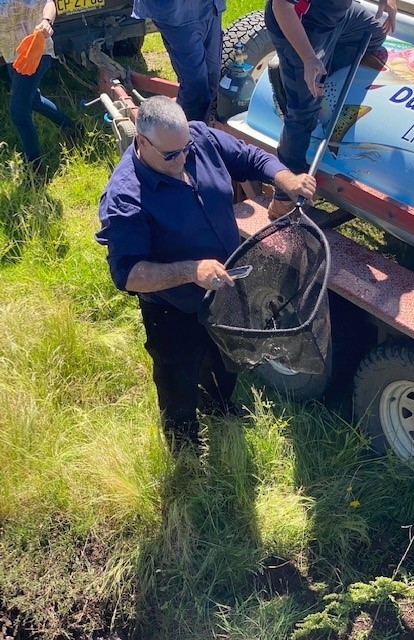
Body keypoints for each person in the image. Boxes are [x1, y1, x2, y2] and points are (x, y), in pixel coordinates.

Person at [96, 95, 316, 452]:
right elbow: (128, 274)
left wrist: (286, 179)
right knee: (177, 374)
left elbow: (250, 157)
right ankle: (183, 443)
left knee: (224, 357)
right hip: (174, 305)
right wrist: (189, 271)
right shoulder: (126, 198)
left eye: (185, 150)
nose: (183, 159)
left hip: (225, 287)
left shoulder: (196, 137)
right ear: (141, 143)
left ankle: (219, 407)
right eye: (171, 156)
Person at [264, 0, 397, 218]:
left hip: (339, 15)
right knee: (302, 113)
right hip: (303, 25)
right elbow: (281, 7)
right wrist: (308, 58)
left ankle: (313, 69)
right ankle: (283, 201)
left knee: (373, 34)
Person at [0, 0, 78, 166]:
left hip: (36, 52)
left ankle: (35, 167)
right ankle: (72, 128)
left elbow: (48, 3)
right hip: (12, 55)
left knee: (19, 112)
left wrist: (46, 21)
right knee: (33, 100)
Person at [132, 0, 225, 123]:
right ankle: (188, 136)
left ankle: (202, 127)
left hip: (210, 8)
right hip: (179, 14)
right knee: (196, 86)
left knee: (213, 76)